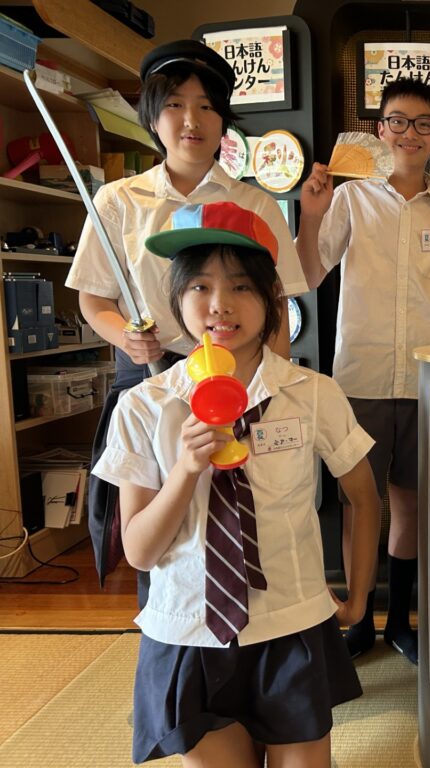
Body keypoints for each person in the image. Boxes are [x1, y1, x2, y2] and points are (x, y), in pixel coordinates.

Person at [91, 201, 379, 766]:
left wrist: (360, 598)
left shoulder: (312, 394)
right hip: (190, 632)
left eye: (241, 286)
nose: (220, 304)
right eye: (199, 286)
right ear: (176, 300)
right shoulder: (145, 406)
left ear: (272, 298)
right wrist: (185, 469)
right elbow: (140, 552)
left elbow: (363, 497)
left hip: (293, 624)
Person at [66, 39, 308, 590]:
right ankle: (166, 622)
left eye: (206, 106)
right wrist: (126, 338)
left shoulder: (255, 203)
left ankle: (249, 618)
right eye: (175, 104)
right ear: (153, 116)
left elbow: (276, 307)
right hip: (150, 378)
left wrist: (273, 387)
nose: (191, 120)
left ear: (224, 121)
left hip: (237, 380)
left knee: (240, 507)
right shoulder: (118, 201)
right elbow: (93, 301)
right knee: (157, 523)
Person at [297, 78, 430, 665]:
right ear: (380, 131)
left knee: (410, 503)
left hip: (425, 378)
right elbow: (308, 273)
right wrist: (310, 215)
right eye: (399, 121)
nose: (411, 133)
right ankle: (357, 617)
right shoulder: (351, 199)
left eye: (423, 123)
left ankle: (401, 621)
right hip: (359, 375)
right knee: (359, 500)